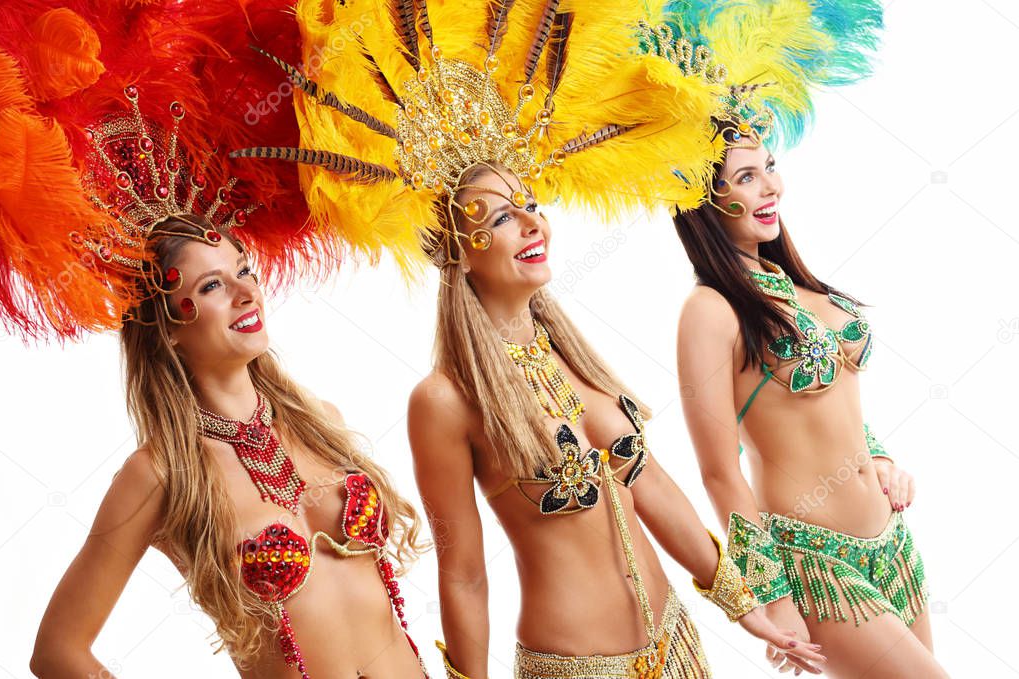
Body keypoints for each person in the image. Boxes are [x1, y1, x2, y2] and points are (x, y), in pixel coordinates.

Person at [229, 0, 828, 676]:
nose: (531, 225)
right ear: (458, 248)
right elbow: (464, 570)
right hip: (574, 666)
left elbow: (652, 484)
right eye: (502, 217)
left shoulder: (573, 357)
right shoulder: (444, 399)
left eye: (531, 207)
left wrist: (745, 605)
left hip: (675, 646)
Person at [0, 7, 429, 673]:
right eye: (211, 287)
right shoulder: (161, 473)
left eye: (243, 272)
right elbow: (58, 651)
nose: (247, 293)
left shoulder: (321, 424)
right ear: (169, 327)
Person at [653, 1, 950, 675]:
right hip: (818, 566)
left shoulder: (799, 286)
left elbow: (838, 405)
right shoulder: (709, 310)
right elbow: (718, 468)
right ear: (705, 199)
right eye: (744, 176)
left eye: (769, 166)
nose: (770, 187)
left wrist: (878, 459)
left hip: (892, 545)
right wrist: (772, 596)